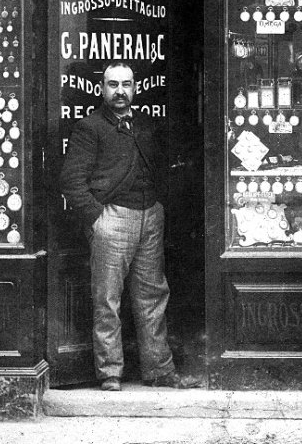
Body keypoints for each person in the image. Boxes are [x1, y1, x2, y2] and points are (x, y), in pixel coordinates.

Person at [60, 62, 199, 391]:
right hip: (113, 220)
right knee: (107, 298)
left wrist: (159, 206)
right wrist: (98, 218)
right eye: (113, 85)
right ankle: (110, 372)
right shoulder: (90, 127)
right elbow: (71, 181)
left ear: (135, 88)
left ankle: (159, 369)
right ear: (102, 89)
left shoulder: (146, 123)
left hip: (150, 216)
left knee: (153, 295)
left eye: (126, 84)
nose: (120, 91)